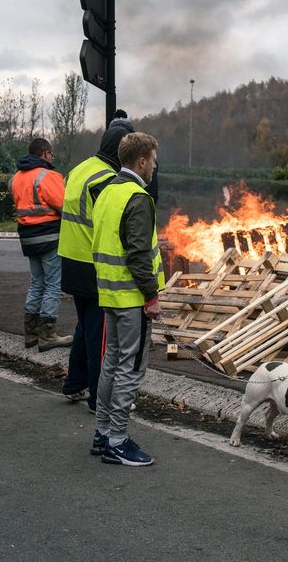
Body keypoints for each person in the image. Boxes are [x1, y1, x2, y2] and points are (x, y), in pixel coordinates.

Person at [90, 132, 164, 466]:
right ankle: (118, 441)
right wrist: (151, 296)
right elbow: (137, 254)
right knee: (130, 370)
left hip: (109, 294)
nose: (155, 166)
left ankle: (103, 433)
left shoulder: (107, 193)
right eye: (153, 160)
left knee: (112, 363)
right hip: (133, 298)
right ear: (142, 161)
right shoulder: (138, 197)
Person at [59, 122, 133, 409]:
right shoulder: (107, 179)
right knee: (100, 334)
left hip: (71, 259)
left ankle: (74, 383)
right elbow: (112, 225)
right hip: (93, 264)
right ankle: (99, 397)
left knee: (85, 326)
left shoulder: (81, 168)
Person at [10, 138, 72, 351]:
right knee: (54, 284)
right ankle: (48, 335)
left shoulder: (17, 177)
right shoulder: (48, 176)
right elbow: (64, 205)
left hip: (28, 238)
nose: (52, 158)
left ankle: (31, 333)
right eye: (51, 154)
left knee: (37, 282)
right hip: (49, 237)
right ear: (45, 153)